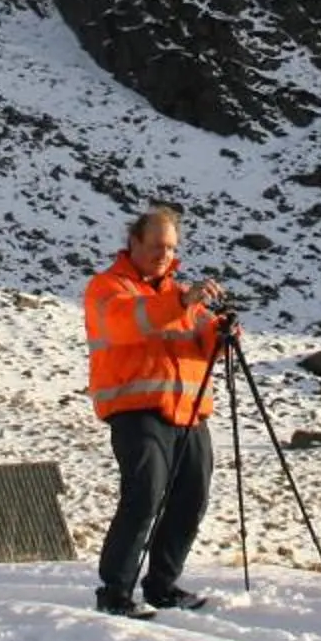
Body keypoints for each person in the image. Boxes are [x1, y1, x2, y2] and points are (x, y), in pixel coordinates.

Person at [86, 203, 225, 617]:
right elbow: (128, 323)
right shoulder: (108, 288)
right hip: (136, 408)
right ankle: (115, 591)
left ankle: (162, 585)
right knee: (144, 495)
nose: (164, 255)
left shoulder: (180, 295)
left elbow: (202, 340)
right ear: (134, 242)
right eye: (157, 246)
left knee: (191, 497)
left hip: (189, 411)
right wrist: (183, 302)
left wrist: (222, 331)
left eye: (171, 248)